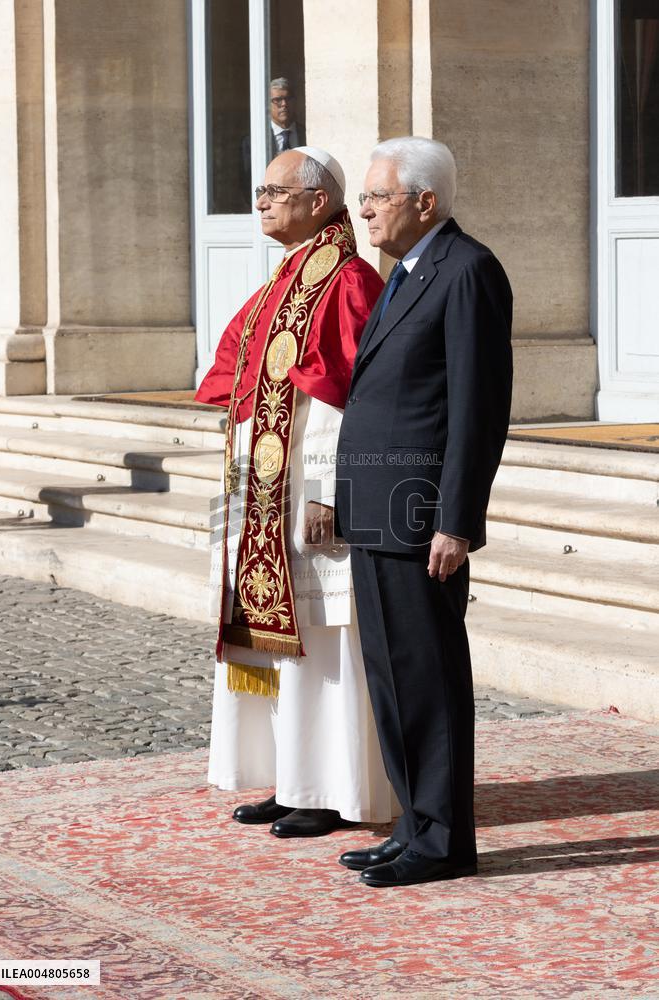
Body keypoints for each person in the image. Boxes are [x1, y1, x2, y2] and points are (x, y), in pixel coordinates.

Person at [195, 146, 394, 837]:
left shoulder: (345, 281)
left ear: (318, 201)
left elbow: (348, 401)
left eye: (274, 191)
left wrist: (332, 494)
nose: (260, 202)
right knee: (282, 640)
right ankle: (294, 779)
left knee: (323, 639)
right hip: (263, 495)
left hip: (311, 492)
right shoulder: (285, 277)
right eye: (259, 191)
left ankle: (330, 789)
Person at [335, 136, 513, 886]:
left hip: (420, 516)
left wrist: (456, 519)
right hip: (376, 509)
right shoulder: (403, 272)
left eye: (378, 196)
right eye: (366, 196)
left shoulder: (467, 271)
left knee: (430, 679)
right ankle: (414, 823)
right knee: (391, 677)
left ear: (425, 203)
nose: (365, 209)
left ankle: (445, 844)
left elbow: (477, 408)